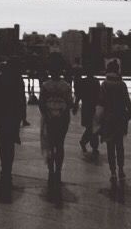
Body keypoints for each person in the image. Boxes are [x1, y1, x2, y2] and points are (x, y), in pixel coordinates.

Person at [0, 56, 26, 198]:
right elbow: (21, 98)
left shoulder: (0, 78)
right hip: (13, 116)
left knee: (3, 142)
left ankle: (4, 169)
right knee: (10, 144)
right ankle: (7, 170)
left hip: (1, 115)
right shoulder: (18, 79)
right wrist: (22, 116)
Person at [39, 51, 75, 187]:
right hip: (62, 118)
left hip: (48, 117)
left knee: (49, 144)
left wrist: (46, 114)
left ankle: (50, 170)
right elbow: (69, 103)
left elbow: (41, 103)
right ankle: (58, 170)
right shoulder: (66, 86)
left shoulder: (45, 86)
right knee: (60, 144)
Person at [99, 59, 131, 186]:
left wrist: (97, 121)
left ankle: (113, 172)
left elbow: (101, 103)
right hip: (120, 118)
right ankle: (121, 169)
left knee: (110, 146)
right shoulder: (122, 84)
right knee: (120, 145)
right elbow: (127, 102)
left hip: (108, 118)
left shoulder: (104, 84)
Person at [77, 70, 101, 154]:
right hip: (94, 107)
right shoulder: (96, 81)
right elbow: (99, 94)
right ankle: (92, 145)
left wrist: (76, 104)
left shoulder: (83, 82)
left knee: (89, 127)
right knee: (94, 127)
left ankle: (85, 141)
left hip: (86, 107)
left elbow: (79, 94)